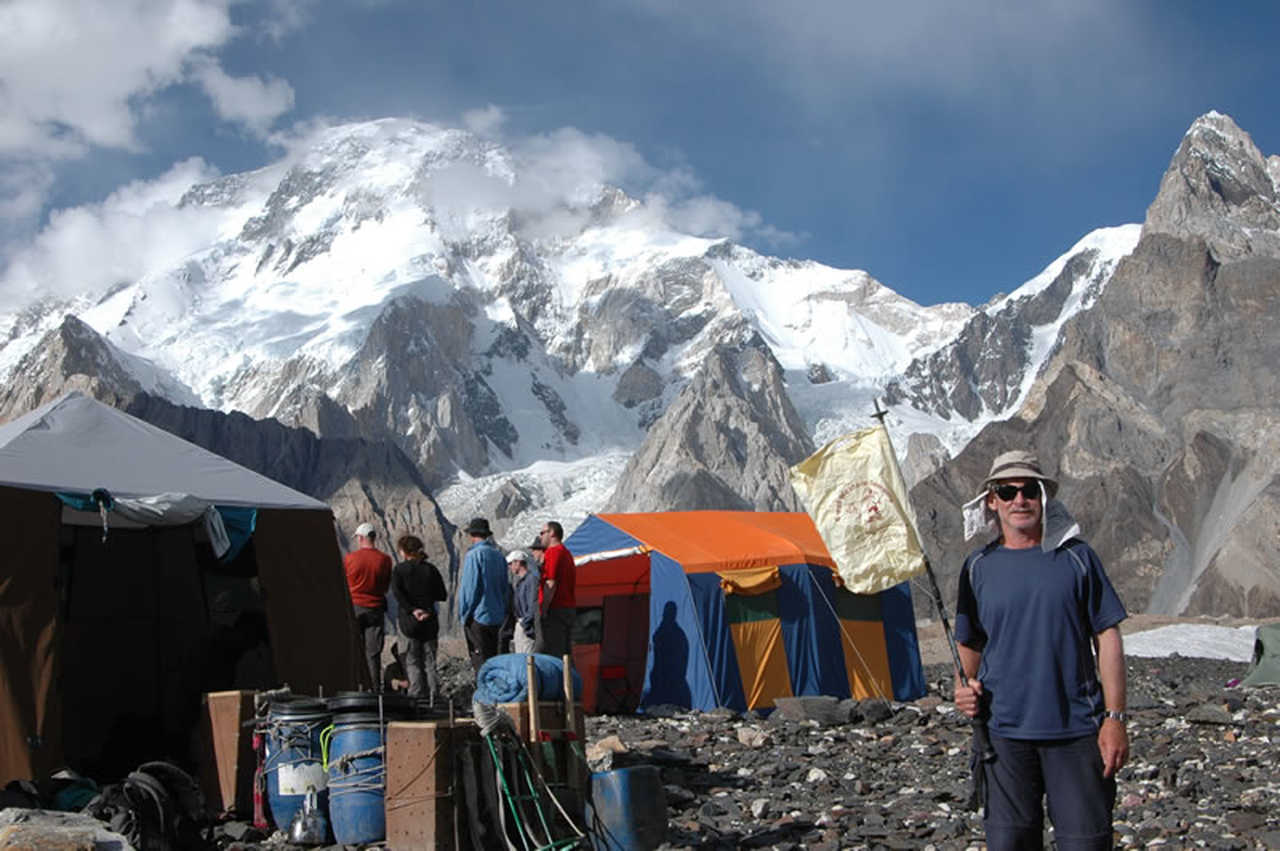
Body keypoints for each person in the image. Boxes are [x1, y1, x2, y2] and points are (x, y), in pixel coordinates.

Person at [953, 450, 1128, 850]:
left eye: (1029, 490)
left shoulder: (1077, 557)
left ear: (1043, 497)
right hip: (1002, 734)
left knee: (1085, 843)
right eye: (1007, 491)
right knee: (1009, 843)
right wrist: (962, 690)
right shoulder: (977, 566)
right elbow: (970, 641)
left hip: (1078, 731)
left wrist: (1114, 718)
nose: (1019, 499)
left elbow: (1108, 637)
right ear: (991, 501)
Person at [391, 534, 448, 705]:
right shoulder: (430, 569)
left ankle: (416, 698)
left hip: (409, 622)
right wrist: (426, 607)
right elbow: (442, 595)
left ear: (403, 551)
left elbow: (397, 594)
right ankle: (433, 697)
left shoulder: (399, 570)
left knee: (412, 661)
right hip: (430, 621)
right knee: (430, 662)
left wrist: (413, 609)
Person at [456, 517, 511, 674]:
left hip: (479, 617)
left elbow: (470, 588)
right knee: (495, 661)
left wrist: (464, 615)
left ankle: (484, 696)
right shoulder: (499, 556)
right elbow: (504, 588)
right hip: (497, 617)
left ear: (472, 535)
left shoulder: (474, 556)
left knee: (480, 663)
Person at [344, 521, 393, 691]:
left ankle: (354, 687)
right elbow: (386, 586)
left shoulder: (350, 559)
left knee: (354, 649)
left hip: (355, 607)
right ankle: (373, 689)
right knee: (373, 652)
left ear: (361, 538)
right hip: (376, 608)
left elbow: (344, 584)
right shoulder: (385, 560)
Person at [534, 520, 576, 658]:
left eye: (542, 533)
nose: (540, 537)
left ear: (551, 533)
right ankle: (570, 679)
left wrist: (544, 608)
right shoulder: (567, 553)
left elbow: (550, 583)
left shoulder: (553, 552)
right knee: (565, 653)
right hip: (568, 608)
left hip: (555, 608)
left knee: (554, 653)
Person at [506, 550, 539, 654]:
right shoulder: (522, 582)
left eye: (511, 563)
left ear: (518, 562)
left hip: (526, 627)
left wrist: (526, 624)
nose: (509, 567)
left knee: (527, 658)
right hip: (521, 624)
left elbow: (532, 604)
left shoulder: (531, 580)